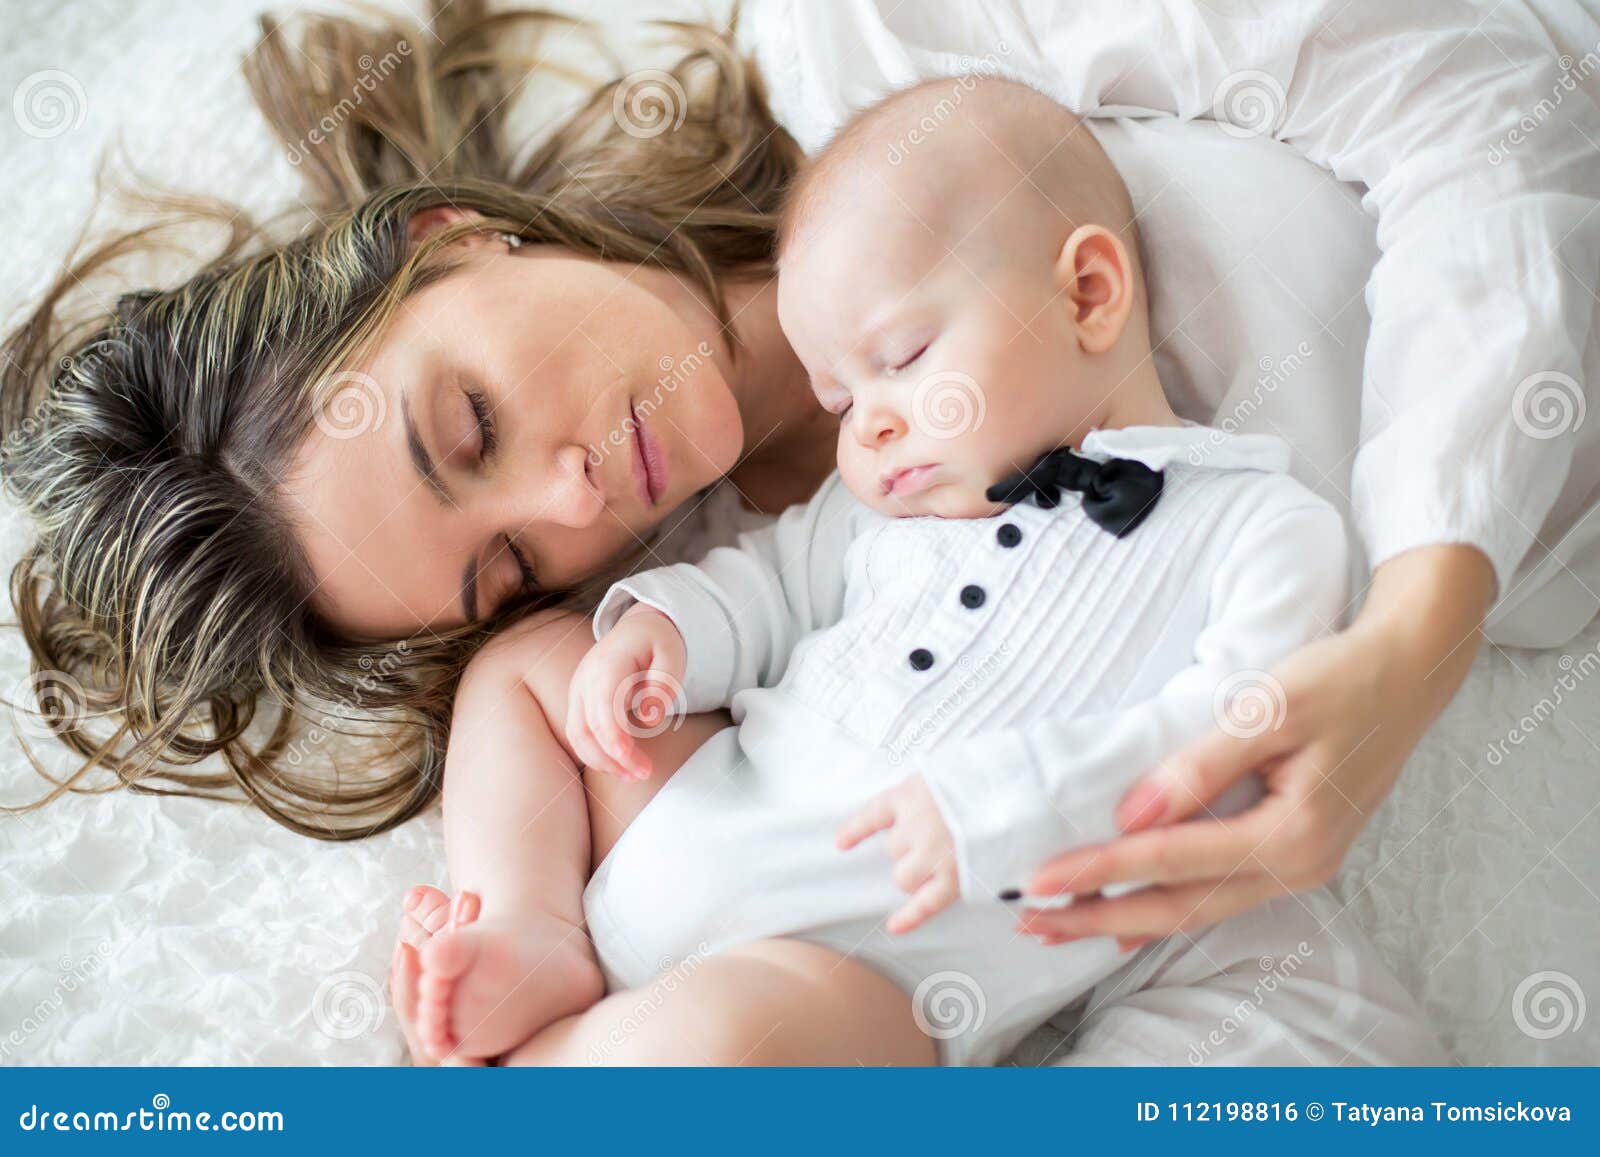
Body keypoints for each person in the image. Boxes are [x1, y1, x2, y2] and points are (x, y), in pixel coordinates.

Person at [0, 0, 1591, 1060]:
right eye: (506, 565)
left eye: (467, 425)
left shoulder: (891, 60)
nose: (569, 505)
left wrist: (1415, 631)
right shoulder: (703, 614)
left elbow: (1486, 97)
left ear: (451, 240)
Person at [405, 77, 1446, 1065]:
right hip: (692, 811)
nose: (871, 426)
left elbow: (1233, 732)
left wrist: (1018, 797)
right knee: (523, 669)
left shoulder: (1263, 526)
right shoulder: (870, 511)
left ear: (1087, 293)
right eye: (841, 399)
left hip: (865, 973)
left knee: (726, 1047)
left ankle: (546, 1070)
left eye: (898, 360)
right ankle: (527, 923)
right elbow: (763, 590)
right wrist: (664, 637)